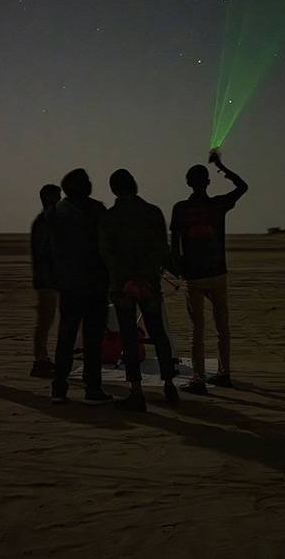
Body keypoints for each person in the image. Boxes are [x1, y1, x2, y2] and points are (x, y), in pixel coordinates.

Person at [98, 169, 179, 412]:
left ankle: (136, 390)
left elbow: (107, 255)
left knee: (129, 336)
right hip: (149, 282)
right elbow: (160, 247)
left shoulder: (109, 219)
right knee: (158, 332)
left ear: (114, 190)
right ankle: (169, 385)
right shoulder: (153, 212)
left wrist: (125, 278)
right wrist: (144, 274)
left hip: (122, 285)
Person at [170, 151, 248, 394]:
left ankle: (199, 379)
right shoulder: (217, 205)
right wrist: (222, 166)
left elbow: (175, 246)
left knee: (198, 329)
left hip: (194, 276)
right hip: (217, 273)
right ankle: (224, 372)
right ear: (208, 182)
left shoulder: (181, 208)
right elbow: (242, 186)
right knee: (221, 325)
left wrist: (180, 271)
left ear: (188, 183)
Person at [47, 169, 114, 406]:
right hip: (94, 284)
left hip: (70, 284)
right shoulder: (97, 210)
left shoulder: (58, 212)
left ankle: (59, 387)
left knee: (66, 336)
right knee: (92, 339)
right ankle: (92, 387)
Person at [29, 184, 61, 377]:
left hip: (50, 279)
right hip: (49, 280)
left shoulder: (44, 221)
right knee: (45, 320)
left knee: (46, 321)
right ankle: (40, 359)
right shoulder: (45, 222)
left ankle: (42, 358)